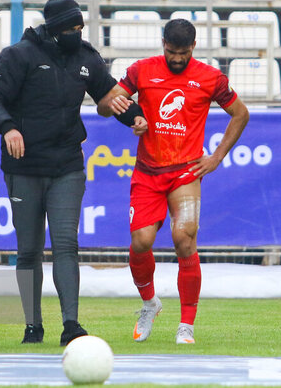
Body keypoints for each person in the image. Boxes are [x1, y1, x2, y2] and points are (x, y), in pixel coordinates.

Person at [0, 0, 127, 346]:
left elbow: (108, 96)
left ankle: (71, 324)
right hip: (24, 166)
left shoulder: (86, 57)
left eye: (81, 27)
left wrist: (132, 116)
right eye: (72, 28)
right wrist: (8, 127)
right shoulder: (19, 56)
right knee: (28, 249)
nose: (78, 33)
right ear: (56, 28)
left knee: (66, 244)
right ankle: (33, 324)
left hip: (67, 165)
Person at [98, 19, 250, 344]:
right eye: (171, 51)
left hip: (185, 172)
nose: (177, 58)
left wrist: (216, 157)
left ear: (193, 47)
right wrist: (131, 118)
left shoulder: (210, 78)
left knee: (184, 241)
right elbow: (105, 105)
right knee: (141, 242)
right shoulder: (142, 70)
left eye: (183, 53)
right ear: (162, 43)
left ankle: (187, 326)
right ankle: (150, 303)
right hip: (148, 171)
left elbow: (240, 113)